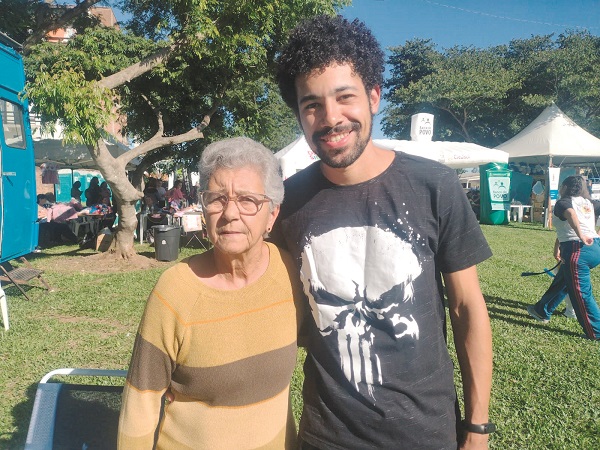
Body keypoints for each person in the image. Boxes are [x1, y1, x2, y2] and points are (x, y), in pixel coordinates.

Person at [271, 15, 494, 449]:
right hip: (327, 436)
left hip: (427, 432)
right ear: (299, 114)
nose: (331, 118)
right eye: (312, 104)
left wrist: (477, 427)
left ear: (374, 96)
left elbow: (467, 307)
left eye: (345, 97)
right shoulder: (287, 203)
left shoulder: (434, 186)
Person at [118, 137, 304, 449]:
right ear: (204, 211)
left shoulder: (291, 274)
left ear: (272, 215)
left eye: (247, 200)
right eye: (217, 199)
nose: (230, 213)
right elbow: (140, 404)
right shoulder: (176, 291)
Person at [526, 175, 600, 340]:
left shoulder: (563, 203)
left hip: (578, 250)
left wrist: (581, 235)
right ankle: (542, 310)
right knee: (565, 279)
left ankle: (596, 331)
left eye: (561, 186)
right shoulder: (588, 203)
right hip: (593, 248)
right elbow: (566, 227)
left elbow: (571, 214)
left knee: (582, 294)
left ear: (565, 187)